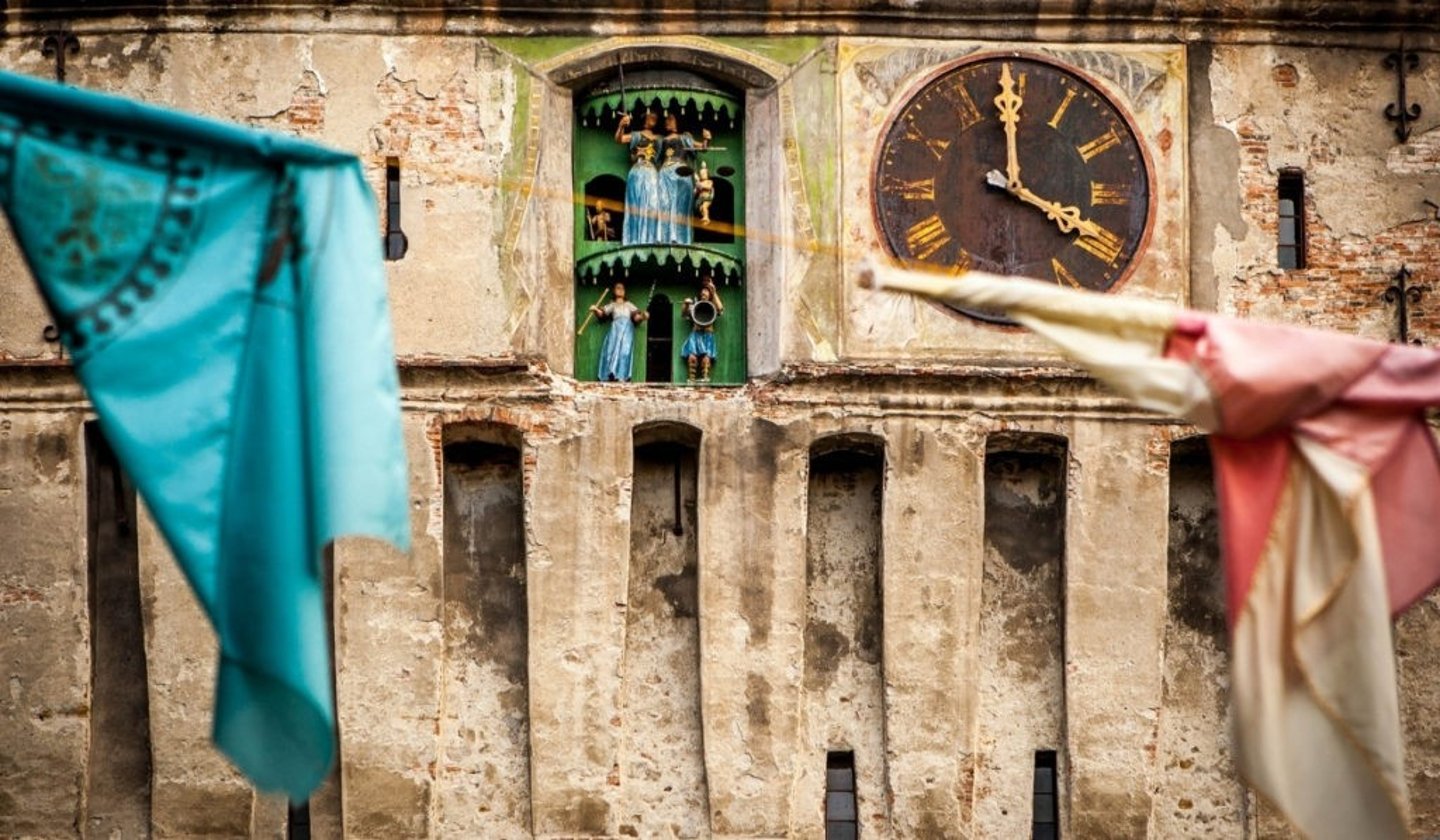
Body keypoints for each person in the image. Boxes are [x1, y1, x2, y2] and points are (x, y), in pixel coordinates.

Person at [656, 112, 710, 244]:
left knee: (680, 205)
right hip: (664, 174)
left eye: (670, 119)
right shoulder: (661, 140)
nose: (667, 122)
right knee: (664, 204)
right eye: (665, 120)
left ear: (677, 121)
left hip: (681, 172)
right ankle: (664, 237)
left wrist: (706, 139)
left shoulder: (684, 138)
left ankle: (679, 238)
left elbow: (703, 148)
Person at [614, 110, 661, 245]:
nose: (654, 118)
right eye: (651, 115)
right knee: (636, 205)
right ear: (645, 117)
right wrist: (622, 125)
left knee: (653, 205)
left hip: (652, 173)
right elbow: (619, 139)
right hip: (638, 172)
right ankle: (635, 239)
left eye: (655, 117)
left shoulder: (660, 139)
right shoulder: (636, 135)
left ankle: (651, 239)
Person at [592, 282, 649, 382]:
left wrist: (643, 316)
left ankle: (621, 375)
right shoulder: (612, 305)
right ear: (614, 291)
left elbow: (636, 317)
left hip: (627, 329)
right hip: (615, 329)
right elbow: (602, 314)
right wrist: (595, 310)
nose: (620, 290)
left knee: (624, 352)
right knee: (611, 351)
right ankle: (610, 373)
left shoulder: (629, 305)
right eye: (618, 288)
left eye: (622, 288)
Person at [680, 279, 723, 383]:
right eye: (703, 291)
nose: (704, 293)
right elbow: (684, 314)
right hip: (696, 334)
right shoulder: (695, 305)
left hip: (708, 335)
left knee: (706, 360)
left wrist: (714, 292)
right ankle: (692, 379)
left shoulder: (712, 305)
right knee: (692, 358)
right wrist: (686, 305)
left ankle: (705, 378)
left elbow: (720, 309)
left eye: (706, 291)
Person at [693, 160, 715, 226]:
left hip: (707, 198)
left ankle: (706, 217)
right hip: (701, 199)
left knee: (705, 207)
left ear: (707, 174)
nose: (702, 175)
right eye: (701, 174)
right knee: (701, 208)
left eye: (704, 174)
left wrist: (699, 183)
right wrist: (695, 190)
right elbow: (697, 190)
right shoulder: (700, 182)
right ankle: (704, 218)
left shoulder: (709, 181)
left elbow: (708, 187)